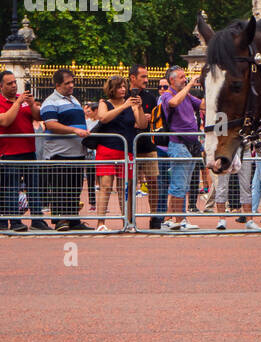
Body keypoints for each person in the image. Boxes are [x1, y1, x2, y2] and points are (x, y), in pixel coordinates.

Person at [0, 71, 46, 231]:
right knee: (11, 189)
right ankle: (15, 221)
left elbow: (37, 117)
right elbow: (5, 121)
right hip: (10, 152)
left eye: (14, 82)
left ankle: (37, 219)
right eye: (9, 83)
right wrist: (18, 103)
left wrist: (32, 103)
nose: (14, 85)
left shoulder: (23, 100)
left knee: (34, 187)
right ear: (1, 86)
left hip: (29, 150)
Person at [39, 68, 91, 231]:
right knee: (61, 186)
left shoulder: (73, 99)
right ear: (57, 84)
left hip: (76, 151)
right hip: (59, 152)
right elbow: (51, 124)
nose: (71, 85)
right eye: (67, 83)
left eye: (72, 82)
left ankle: (73, 219)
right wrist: (74, 130)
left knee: (75, 187)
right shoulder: (50, 102)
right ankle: (61, 220)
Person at [94, 75, 146, 231]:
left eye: (124, 86)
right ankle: (101, 223)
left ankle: (128, 221)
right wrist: (123, 107)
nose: (123, 89)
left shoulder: (132, 104)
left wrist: (140, 107)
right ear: (112, 89)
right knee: (106, 186)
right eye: (119, 87)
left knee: (127, 187)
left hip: (126, 150)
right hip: (107, 150)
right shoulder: (104, 103)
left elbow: (142, 124)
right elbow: (103, 118)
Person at [158, 66, 202, 230]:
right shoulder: (168, 95)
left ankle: (178, 219)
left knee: (184, 184)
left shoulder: (187, 95)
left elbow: (203, 105)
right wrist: (190, 84)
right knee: (178, 184)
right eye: (182, 77)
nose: (185, 79)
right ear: (172, 80)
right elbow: (173, 103)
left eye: (185, 77)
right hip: (178, 144)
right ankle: (178, 219)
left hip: (191, 145)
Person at [128, 65, 166, 228]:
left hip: (148, 146)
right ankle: (129, 217)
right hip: (130, 146)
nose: (146, 80)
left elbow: (157, 119)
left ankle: (154, 216)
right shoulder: (124, 96)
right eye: (143, 76)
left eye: (147, 76)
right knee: (130, 184)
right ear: (132, 78)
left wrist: (148, 119)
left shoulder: (150, 97)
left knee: (153, 182)